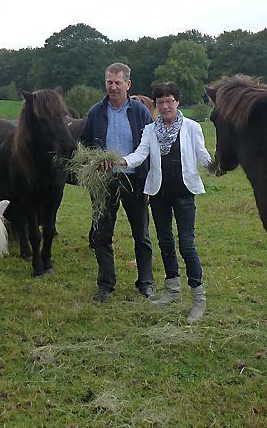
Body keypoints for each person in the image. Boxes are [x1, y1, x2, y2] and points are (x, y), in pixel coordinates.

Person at [116, 81, 212, 322]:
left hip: (184, 193)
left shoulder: (192, 127)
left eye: (170, 101)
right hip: (158, 194)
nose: (165, 105)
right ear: (156, 106)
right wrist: (123, 161)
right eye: (161, 102)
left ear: (177, 102)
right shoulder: (150, 130)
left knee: (186, 245)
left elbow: (202, 154)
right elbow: (140, 154)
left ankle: (198, 298)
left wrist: (214, 166)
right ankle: (172, 290)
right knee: (165, 241)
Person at [79, 63, 155, 302]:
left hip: (134, 180)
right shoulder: (96, 112)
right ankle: (105, 285)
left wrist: (149, 183)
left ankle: (145, 283)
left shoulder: (140, 112)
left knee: (141, 235)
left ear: (128, 85)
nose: (113, 87)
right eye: (109, 82)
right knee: (102, 235)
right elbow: (85, 144)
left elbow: (149, 147)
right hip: (105, 182)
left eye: (117, 83)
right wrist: (95, 161)